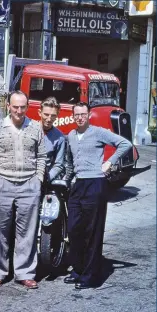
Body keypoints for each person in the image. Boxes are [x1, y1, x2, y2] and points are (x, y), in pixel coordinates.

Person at [64, 102, 132, 289]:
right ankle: (78, 269)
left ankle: (90, 276)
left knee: (92, 231)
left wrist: (109, 163)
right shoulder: (70, 135)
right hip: (78, 185)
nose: (80, 118)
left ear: (88, 115)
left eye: (83, 114)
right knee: (74, 229)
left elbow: (124, 144)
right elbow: (70, 162)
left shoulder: (98, 132)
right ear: (73, 116)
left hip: (95, 183)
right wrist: (67, 179)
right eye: (76, 115)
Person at [0, 90, 47, 289]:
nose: (19, 111)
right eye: (15, 107)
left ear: (27, 108)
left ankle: (25, 273)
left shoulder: (35, 128)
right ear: (8, 107)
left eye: (22, 107)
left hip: (29, 184)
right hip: (2, 183)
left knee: (27, 232)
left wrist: (38, 179)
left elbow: (42, 156)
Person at [38, 97, 66, 182]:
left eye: (53, 116)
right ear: (40, 113)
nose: (49, 119)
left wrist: (47, 178)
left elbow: (59, 164)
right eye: (46, 114)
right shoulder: (28, 130)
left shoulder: (59, 137)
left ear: (57, 115)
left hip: (43, 179)